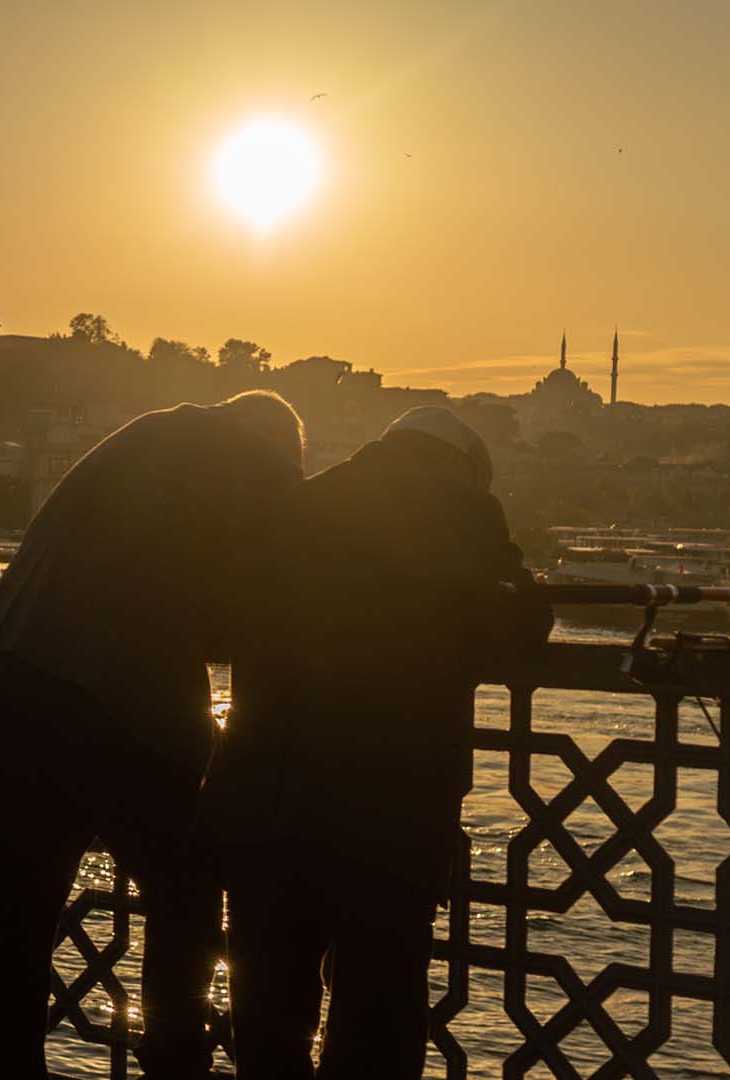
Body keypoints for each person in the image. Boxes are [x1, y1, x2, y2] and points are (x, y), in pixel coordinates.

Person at [0, 390, 306, 1079]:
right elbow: (262, 601)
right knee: (188, 892)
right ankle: (174, 1062)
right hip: (115, 691)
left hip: (2, 672)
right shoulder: (258, 459)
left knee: (18, 915)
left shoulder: (148, 434)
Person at [200, 407, 552, 1078]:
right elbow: (518, 622)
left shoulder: (295, 504)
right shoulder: (462, 510)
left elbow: (224, 618)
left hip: (264, 804)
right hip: (385, 812)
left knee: (269, 1015)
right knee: (377, 1013)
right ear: (458, 467)